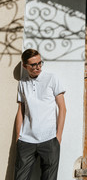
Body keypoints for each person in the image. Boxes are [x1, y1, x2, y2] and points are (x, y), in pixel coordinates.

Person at [14, 49, 66, 180]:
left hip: (49, 139)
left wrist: (58, 137)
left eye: (39, 63)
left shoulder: (51, 78)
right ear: (25, 66)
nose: (38, 67)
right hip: (26, 140)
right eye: (33, 65)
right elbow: (21, 110)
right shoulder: (22, 83)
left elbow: (63, 108)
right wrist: (18, 137)